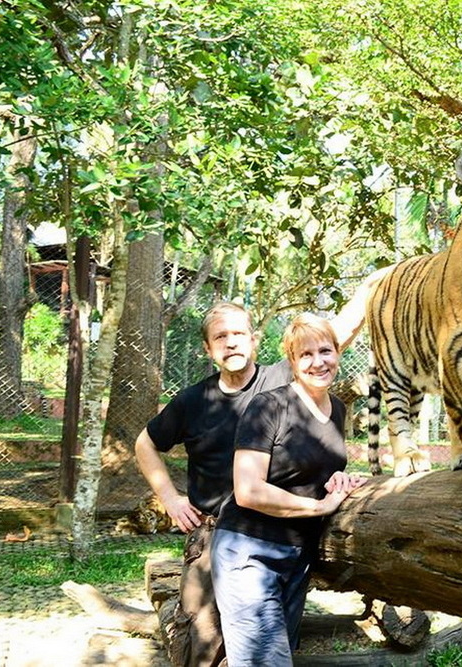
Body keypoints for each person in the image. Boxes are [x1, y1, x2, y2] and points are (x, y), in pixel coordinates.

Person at [134, 271, 385, 667]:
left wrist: (377, 282)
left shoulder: (282, 378)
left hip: (287, 532)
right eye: (221, 337)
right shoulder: (194, 400)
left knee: (272, 648)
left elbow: (331, 335)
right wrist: (169, 497)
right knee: (202, 646)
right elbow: (144, 444)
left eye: (239, 333)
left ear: (255, 340)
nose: (231, 342)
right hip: (220, 531)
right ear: (208, 348)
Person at [210, 313, 366, 665]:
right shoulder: (269, 405)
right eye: (305, 355)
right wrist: (319, 508)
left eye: (325, 350)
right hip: (249, 552)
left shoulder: (337, 409)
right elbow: (248, 490)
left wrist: (340, 480)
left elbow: (312, 470)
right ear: (292, 361)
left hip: (298, 555)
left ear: (338, 353)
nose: (317, 362)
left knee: (276, 657)